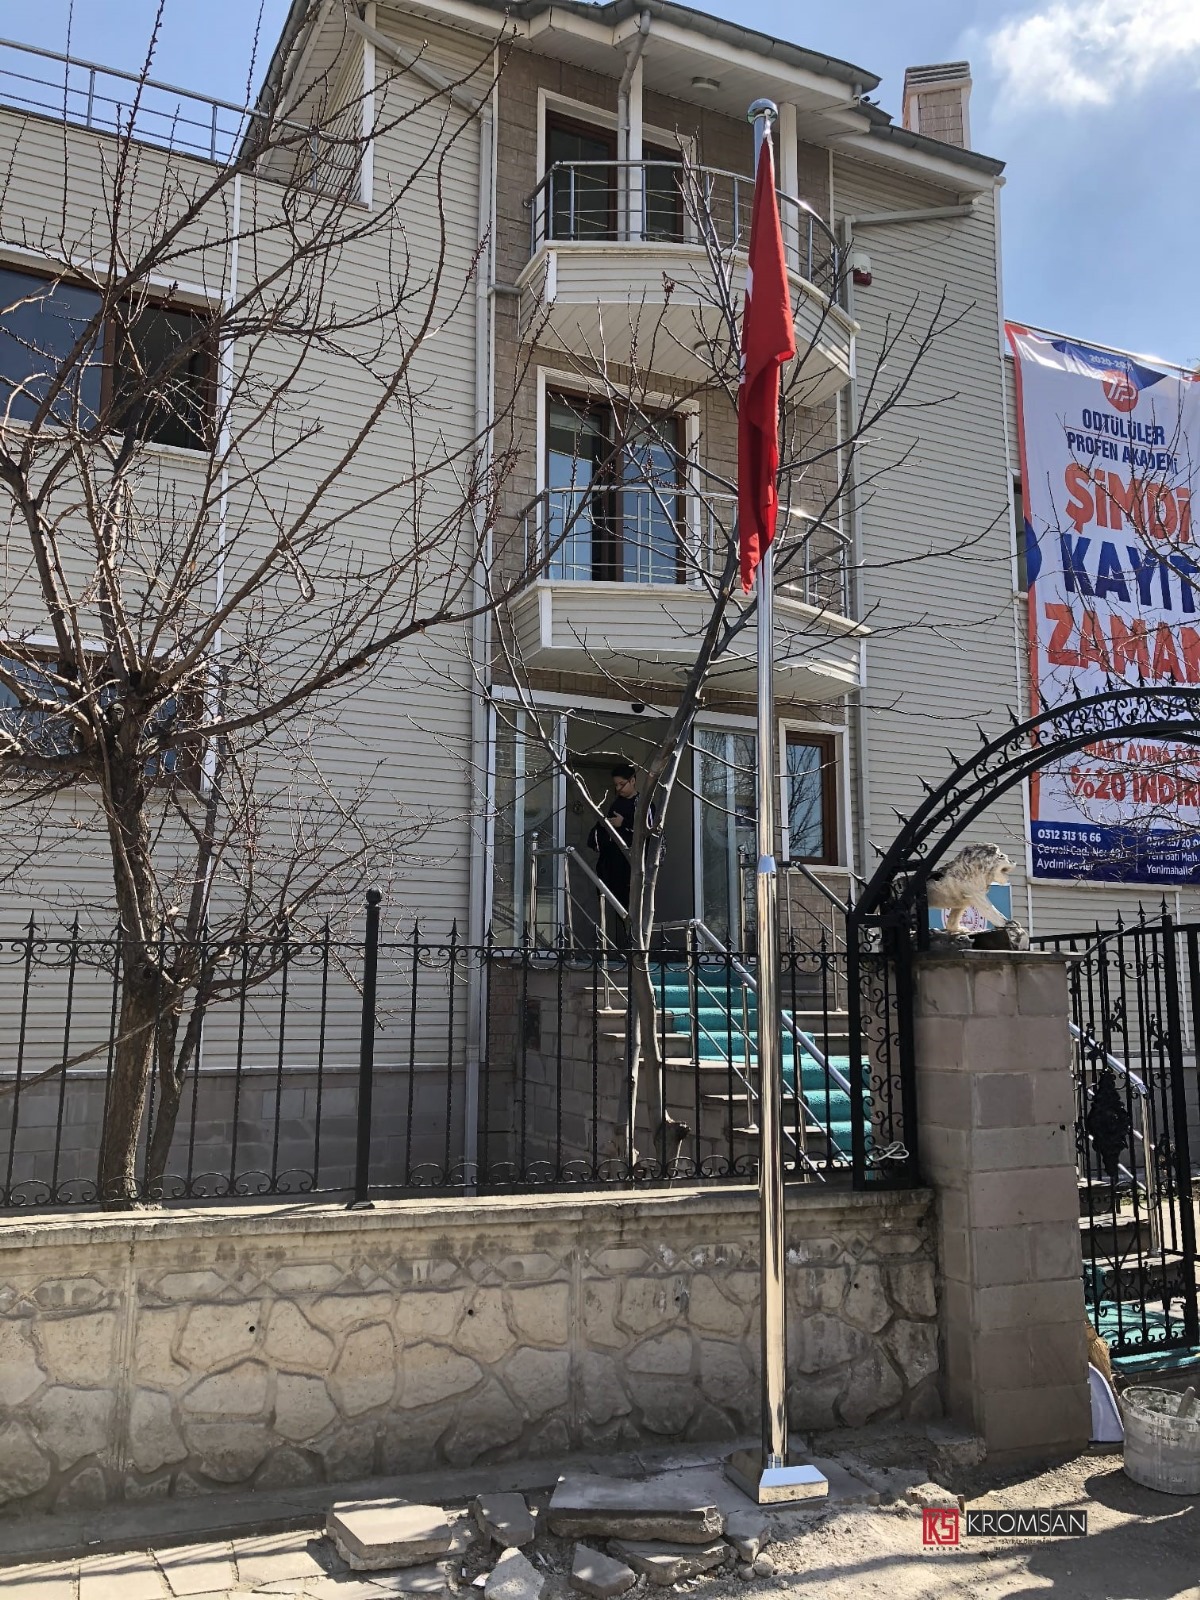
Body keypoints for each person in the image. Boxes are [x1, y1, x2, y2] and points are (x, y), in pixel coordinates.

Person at [588, 761, 653, 942]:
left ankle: (635, 944)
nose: (618, 789)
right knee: (617, 905)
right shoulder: (617, 803)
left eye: (622, 784)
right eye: (616, 785)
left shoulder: (643, 803)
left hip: (633, 865)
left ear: (632, 780)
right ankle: (624, 943)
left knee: (632, 906)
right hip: (613, 864)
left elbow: (649, 831)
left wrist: (624, 823)